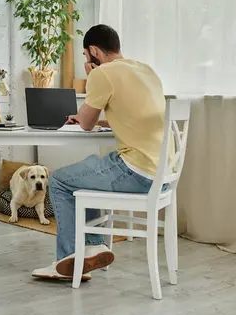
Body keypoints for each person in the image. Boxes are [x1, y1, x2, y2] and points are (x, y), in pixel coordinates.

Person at [32, 24, 167, 280]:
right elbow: (129, 116)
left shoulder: (102, 73)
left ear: (93, 50)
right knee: (90, 171)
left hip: (136, 171)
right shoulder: (145, 70)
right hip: (162, 176)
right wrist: (104, 121)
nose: (86, 60)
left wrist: (93, 78)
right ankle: (93, 245)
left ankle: (68, 260)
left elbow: (86, 123)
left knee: (60, 180)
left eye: (85, 55)